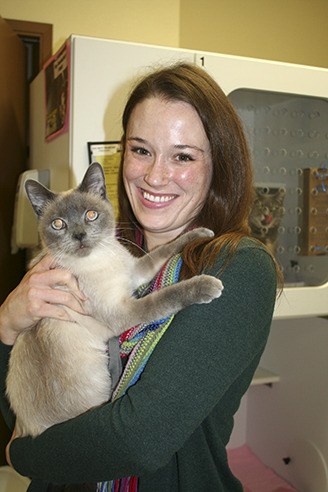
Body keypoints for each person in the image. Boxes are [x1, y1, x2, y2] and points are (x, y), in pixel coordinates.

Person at [0, 62, 280, 491]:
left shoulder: (238, 266)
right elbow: (27, 407)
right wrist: (6, 324)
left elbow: (138, 440)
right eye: (141, 150)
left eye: (182, 156)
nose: (154, 175)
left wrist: (21, 454)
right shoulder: (100, 257)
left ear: (217, 165)